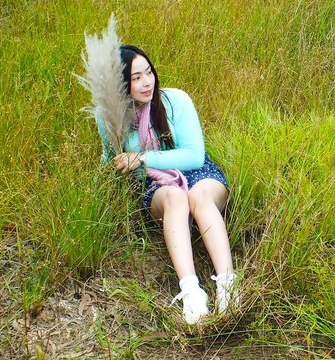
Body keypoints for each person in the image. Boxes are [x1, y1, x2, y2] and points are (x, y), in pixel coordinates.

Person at [95, 44, 238, 324]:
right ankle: (191, 291)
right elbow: (108, 158)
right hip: (158, 187)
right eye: (136, 78)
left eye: (148, 72)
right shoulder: (109, 117)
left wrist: (142, 158)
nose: (147, 81)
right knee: (175, 197)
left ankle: (228, 285)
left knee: (198, 196)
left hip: (200, 173)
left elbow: (195, 155)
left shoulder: (175, 100)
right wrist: (107, 175)